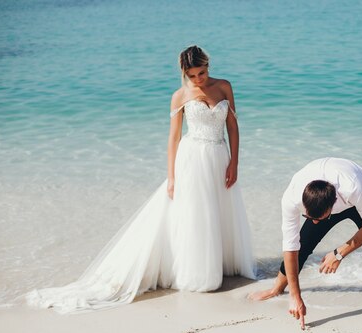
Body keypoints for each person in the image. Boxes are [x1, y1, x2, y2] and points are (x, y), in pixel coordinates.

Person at [27, 45, 257, 313]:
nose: (198, 80)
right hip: (192, 159)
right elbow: (173, 137)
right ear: (184, 74)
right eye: (192, 75)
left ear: (208, 66)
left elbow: (232, 126)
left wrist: (235, 162)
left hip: (219, 156)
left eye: (202, 73)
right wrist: (171, 177)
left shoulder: (224, 86)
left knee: (220, 211)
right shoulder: (180, 96)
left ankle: (222, 263)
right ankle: (200, 274)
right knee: (198, 215)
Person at [249, 157, 362, 333]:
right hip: (322, 199)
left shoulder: (353, 189)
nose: (315, 222)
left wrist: (339, 253)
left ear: (333, 205)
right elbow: (290, 247)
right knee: (303, 244)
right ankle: (277, 288)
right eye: (310, 217)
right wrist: (295, 296)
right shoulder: (292, 197)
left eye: (320, 218)